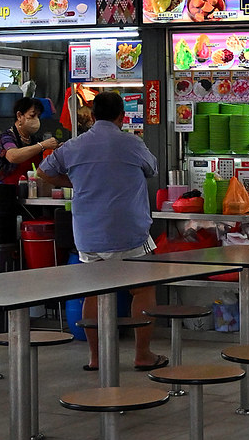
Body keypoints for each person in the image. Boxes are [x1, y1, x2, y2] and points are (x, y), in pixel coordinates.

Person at [37, 91, 166, 372]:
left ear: (92, 116)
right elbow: (152, 168)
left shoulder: (74, 145)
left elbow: (43, 173)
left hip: (89, 234)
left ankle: (96, 358)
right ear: (122, 116)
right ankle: (142, 354)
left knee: (94, 294)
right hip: (129, 232)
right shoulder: (131, 143)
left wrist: (76, 181)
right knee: (142, 290)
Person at [0, 96, 59, 183]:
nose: (36, 119)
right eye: (32, 115)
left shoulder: (35, 140)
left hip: (31, 190)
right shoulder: (6, 138)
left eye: (38, 116)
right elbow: (13, 156)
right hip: (7, 190)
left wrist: (57, 148)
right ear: (19, 116)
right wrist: (42, 146)